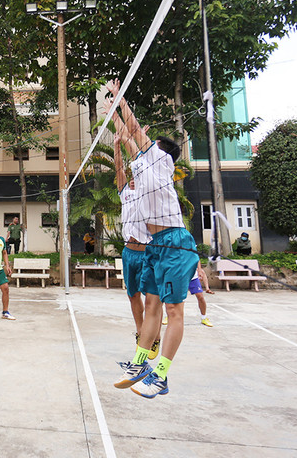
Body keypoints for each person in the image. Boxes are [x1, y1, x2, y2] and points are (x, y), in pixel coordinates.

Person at [111, 102, 199, 400]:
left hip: (175, 243)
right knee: (151, 306)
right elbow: (128, 139)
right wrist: (114, 114)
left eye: (152, 144)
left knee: (173, 311)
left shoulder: (162, 163)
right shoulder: (144, 166)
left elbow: (135, 131)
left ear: (162, 153)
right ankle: (139, 364)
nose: (145, 146)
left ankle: (161, 375)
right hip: (154, 246)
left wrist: (121, 100)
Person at [104, 84, 161, 374]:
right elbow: (119, 168)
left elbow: (137, 151)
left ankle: (153, 336)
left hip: (148, 251)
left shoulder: (150, 190)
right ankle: (142, 336)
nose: (134, 175)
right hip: (129, 252)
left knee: (152, 299)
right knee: (132, 296)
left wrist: (125, 126)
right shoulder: (125, 192)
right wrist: (117, 145)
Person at [190, 263, 213, 327]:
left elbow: (197, 259)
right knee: (174, 297)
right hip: (179, 275)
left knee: (200, 297)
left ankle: (204, 317)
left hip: (193, 277)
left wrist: (199, 270)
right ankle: (169, 316)